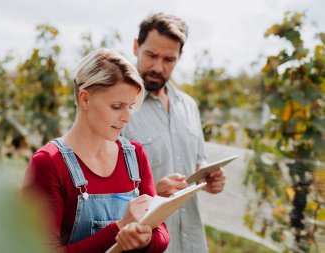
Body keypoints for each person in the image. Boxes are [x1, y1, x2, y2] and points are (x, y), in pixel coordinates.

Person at [22, 48, 169, 253]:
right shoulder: (49, 163)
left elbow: (160, 230)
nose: (127, 117)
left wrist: (146, 241)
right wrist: (117, 231)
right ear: (85, 99)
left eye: (131, 107)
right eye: (117, 106)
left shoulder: (134, 155)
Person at [122, 13, 226, 253]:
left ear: (180, 57)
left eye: (169, 59)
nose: (158, 67)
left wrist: (210, 178)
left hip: (192, 243)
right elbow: (101, 192)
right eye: (151, 55)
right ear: (136, 46)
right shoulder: (119, 107)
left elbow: (200, 162)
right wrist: (153, 192)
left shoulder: (188, 106)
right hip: (148, 245)